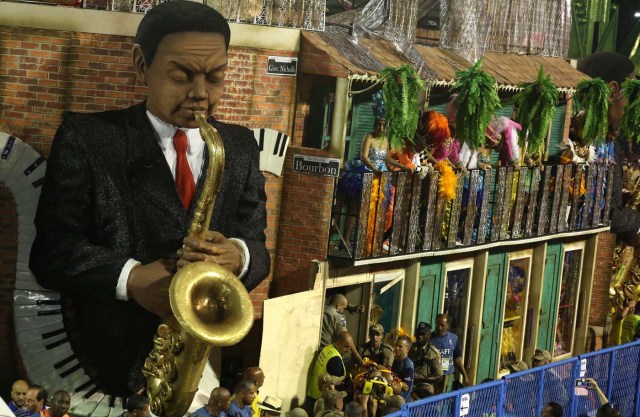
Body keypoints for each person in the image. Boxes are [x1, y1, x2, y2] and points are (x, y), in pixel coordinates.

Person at [28, 0, 270, 395]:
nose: (200, 94)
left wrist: (239, 254)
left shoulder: (240, 146)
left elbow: (258, 243)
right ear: (142, 65)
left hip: (193, 366)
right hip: (102, 369)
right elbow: (52, 251)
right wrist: (133, 279)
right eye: (181, 76)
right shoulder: (87, 139)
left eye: (215, 77)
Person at [576, 52, 640, 241]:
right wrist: (635, 226)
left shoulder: (610, 140)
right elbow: (590, 209)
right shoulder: (580, 141)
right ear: (613, 91)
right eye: (633, 93)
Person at [308, 331, 353, 403]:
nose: (348, 350)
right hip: (324, 399)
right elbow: (336, 385)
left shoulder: (328, 348)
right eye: (346, 347)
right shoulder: (335, 359)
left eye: (350, 347)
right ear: (338, 344)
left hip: (313, 393)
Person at [430, 314, 469, 393]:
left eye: (442, 325)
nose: (439, 327)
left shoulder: (454, 338)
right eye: (437, 324)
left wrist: (465, 376)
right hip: (434, 377)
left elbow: (457, 358)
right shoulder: (430, 339)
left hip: (448, 376)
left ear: (447, 326)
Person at [408, 322, 443, 389]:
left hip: (424, 385)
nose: (420, 336)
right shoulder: (410, 348)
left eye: (423, 334)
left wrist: (422, 378)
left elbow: (439, 377)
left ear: (429, 335)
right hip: (409, 382)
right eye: (418, 333)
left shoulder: (433, 353)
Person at [390, 335, 414, 403]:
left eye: (400, 346)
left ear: (407, 349)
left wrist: (393, 381)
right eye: (396, 345)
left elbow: (406, 386)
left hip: (401, 403)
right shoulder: (393, 361)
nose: (397, 348)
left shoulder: (408, 364)